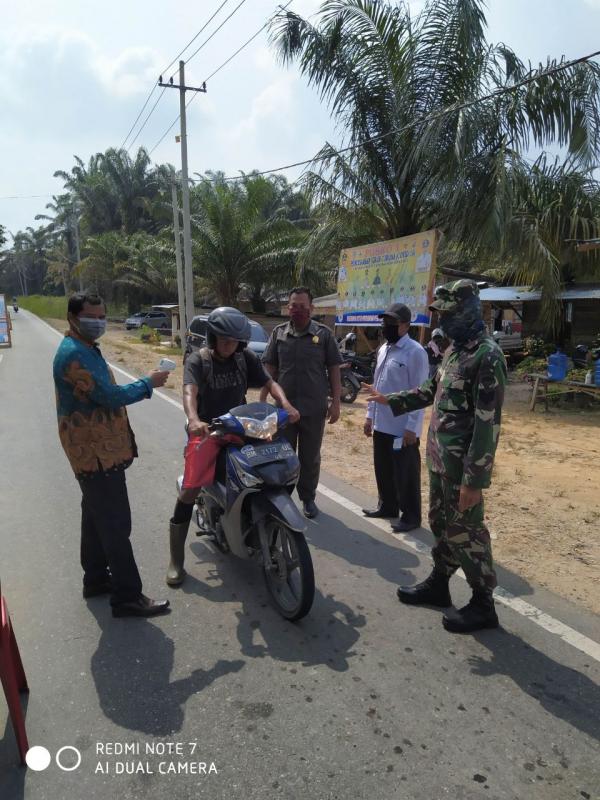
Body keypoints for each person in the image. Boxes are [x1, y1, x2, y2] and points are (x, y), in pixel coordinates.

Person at [364, 280, 507, 633]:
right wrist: (390, 400)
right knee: (441, 524)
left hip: (463, 469)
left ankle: (483, 604)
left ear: (468, 310)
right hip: (440, 460)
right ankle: (440, 583)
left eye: (449, 313)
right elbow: (432, 390)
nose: (443, 320)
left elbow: (487, 424)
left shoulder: (487, 356)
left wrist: (474, 481)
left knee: (467, 531)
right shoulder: (454, 351)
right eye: (440, 314)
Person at [53, 292, 171, 618]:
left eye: (102, 317)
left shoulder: (84, 347)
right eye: (92, 317)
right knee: (116, 524)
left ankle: (95, 579)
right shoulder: (74, 355)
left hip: (95, 450)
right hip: (95, 452)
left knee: (95, 516)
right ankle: (127, 596)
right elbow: (108, 396)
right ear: (73, 318)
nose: (99, 323)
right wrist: (148, 383)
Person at [167, 306, 299, 586]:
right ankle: (176, 561)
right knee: (190, 489)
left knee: (270, 467)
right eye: (225, 340)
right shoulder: (198, 360)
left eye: (235, 341)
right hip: (208, 431)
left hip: (243, 427)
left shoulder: (244, 357)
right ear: (213, 337)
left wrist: (285, 404)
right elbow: (189, 391)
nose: (230, 345)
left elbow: (270, 382)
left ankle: (255, 519)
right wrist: (194, 419)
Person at [260, 287, 343, 519]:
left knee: (310, 457)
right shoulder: (279, 333)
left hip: (314, 408)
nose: (297, 310)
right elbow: (270, 369)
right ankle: (283, 497)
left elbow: (334, 369)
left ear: (311, 308)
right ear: (288, 308)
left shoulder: (324, 335)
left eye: (302, 306)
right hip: (284, 409)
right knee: (283, 455)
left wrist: (336, 402)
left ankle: (308, 498)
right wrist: (263, 400)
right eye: (293, 306)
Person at [362, 303, 429, 533]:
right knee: (383, 469)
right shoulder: (384, 349)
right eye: (385, 321)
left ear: (406, 325)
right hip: (382, 423)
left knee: (406, 474)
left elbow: (420, 393)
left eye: (392, 322)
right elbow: (377, 386)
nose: (386, 326)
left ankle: (411, 516)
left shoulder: (416, 352)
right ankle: (387, 506)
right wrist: (369, 416)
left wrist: (412, 427)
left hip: (402, 427)